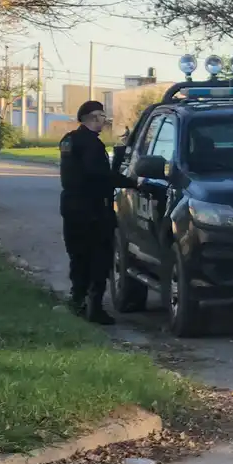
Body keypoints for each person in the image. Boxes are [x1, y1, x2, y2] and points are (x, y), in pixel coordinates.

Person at [60, 101, 143, 323]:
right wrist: (132, 183)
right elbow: (99, 175)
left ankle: (78, 301)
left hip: (71, 206)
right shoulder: (92, 145)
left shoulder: (69, 140)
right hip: (93, 209)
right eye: (102, 116)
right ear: (94, 117)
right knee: (98, 257)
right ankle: (94, 307)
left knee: (78, 256)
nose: (104, 121)